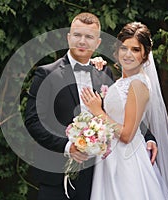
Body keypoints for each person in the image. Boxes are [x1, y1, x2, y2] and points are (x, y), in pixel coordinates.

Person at [25, 13, 158, 200]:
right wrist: (68, 146)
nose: (82, 41)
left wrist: (148, 137)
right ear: (68, 37)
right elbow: (33, 121)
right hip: (55, 176)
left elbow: (122, 111)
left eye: (89, 37)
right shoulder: (46, 73)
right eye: (77, 35)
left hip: (98, 174)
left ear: (98, 42)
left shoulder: (104, 72)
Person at [81, 22, 168, 200]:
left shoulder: (138, 84)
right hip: (111, 158)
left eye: (135, 49)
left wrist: (97, 111)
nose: (128, 54)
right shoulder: (125, 81)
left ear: (145, 54)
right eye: (124, 48)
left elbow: (127, 134)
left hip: (127, 161)